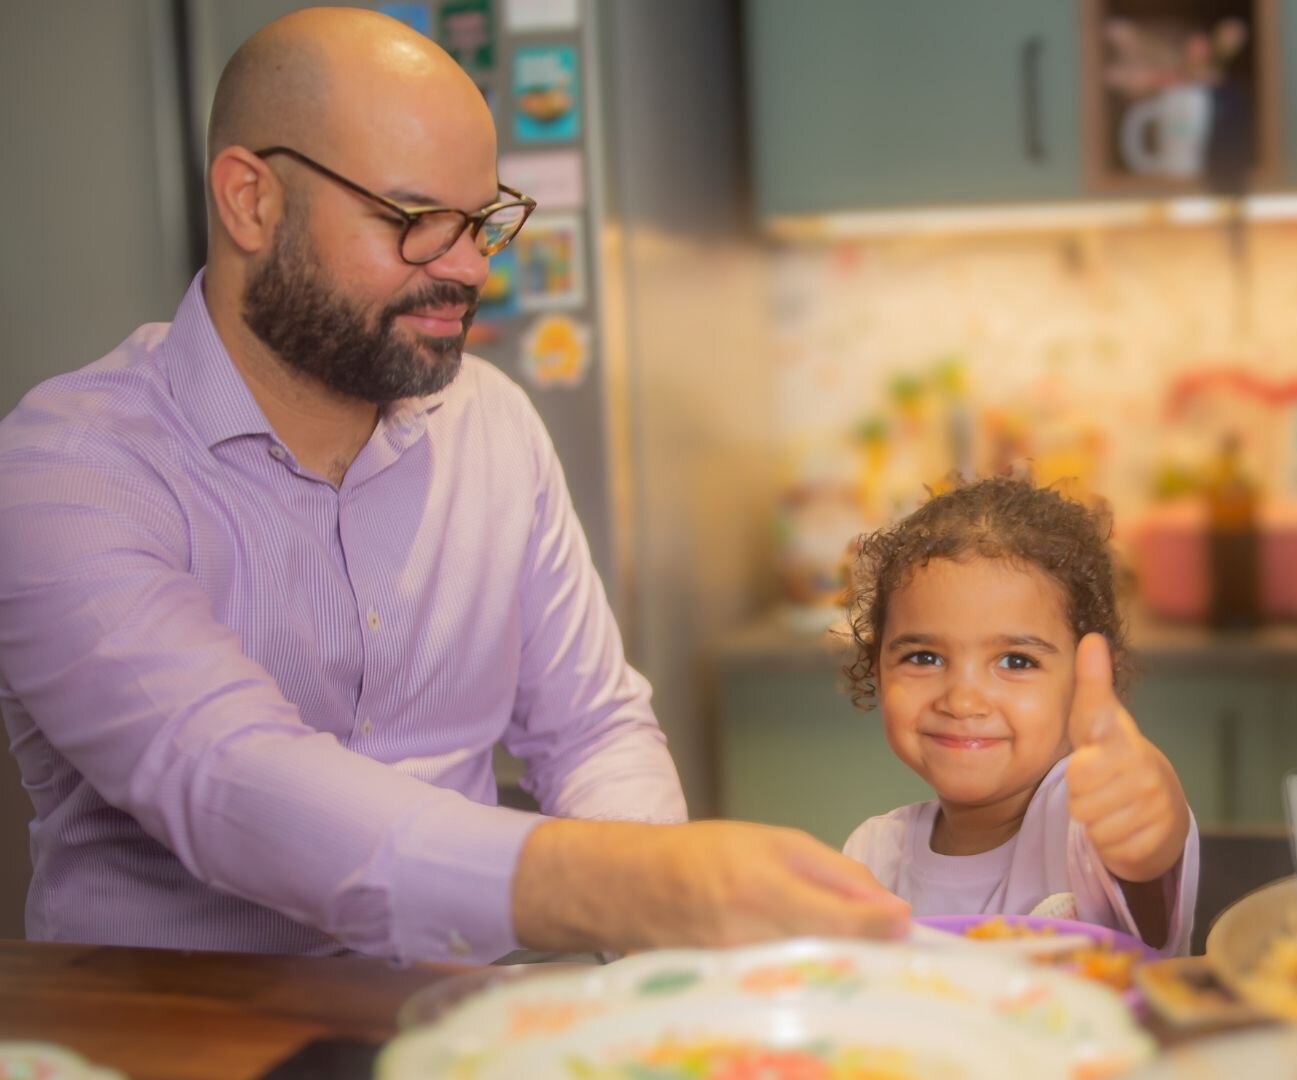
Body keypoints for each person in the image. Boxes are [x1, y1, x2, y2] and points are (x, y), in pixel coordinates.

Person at [0, 6, 905, 963]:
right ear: (250, 200)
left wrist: (657, 956)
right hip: (175, 1025)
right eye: (413, 220)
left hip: (456, 1015)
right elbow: (227, 779)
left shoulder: (493, 424)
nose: (470, 267)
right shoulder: (68, 470)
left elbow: (590, 728)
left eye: (479, 221)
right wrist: (630, 885)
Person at [839, 477, 1200, 952]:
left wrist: (1149, 815)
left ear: (1084, 679)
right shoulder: (871, 858)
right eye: (924, 657)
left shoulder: (1082, 822)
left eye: (1016, 661)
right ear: (878, 668)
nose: (962, 701)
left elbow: (1145, 856)